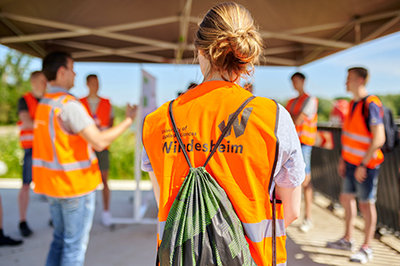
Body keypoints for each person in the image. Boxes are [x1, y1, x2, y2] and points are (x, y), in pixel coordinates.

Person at [141, 3, 304, 265]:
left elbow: (165, 202)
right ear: (247, 54)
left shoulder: (157, 121)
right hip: (253, 258)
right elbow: (292, 211)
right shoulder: (274, 117)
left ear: (200, 51)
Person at [33, 51, 137, 266]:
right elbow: (98, 141)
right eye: (72, 69)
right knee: (73, 248)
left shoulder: (45, 103)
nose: (75, 74)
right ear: (62, 72)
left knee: (60, 241)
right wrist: (128, 121)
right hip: (75, 187)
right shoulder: (68, 105)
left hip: (54, 186)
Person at [327, 67, 385, 264]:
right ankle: (347, 239)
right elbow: (351, 136)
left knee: (366, 205)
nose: (345, 82)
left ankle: (367, 248)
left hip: (365, 166)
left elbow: (379, 138)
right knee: (346, 198)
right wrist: (344, 159)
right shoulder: (353, 104)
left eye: (349, 78)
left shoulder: (372, 104)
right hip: (352, 163)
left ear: (360, 80)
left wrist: (362, 163)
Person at [285, 72, 318, 233]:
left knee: (305, 180)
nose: (294, 84)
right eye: (293, 81)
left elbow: (296, 119)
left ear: (303, 81)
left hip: (304, 144)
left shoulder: (310, 100)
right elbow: (287, 120)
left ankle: (308, 217)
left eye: (296, 81)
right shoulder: (291, 101)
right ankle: (296, 215)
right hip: (292, 145)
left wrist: (291, 116)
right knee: (294, 179)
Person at [80, 74, 114, 226]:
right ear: (87, 84)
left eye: (97, 83)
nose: (95, 85)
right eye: (93, 83)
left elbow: (112, 124)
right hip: (84, 146)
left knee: (104, 180)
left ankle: (106, 212)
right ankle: (82, 212)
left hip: (102, 147)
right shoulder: (79, 103)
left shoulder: (107, 103)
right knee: (83, 181)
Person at [17, 70, 47, 237]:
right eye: (42, 81)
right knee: (26, 185)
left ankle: (54, 218)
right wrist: (46, 124)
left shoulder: (48, 98)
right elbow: (26, 122)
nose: (45, 84)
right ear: (34, 82)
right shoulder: (25, 100)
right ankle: (23, 220)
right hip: (31, 149)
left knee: (51, 183)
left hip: (46, 149)